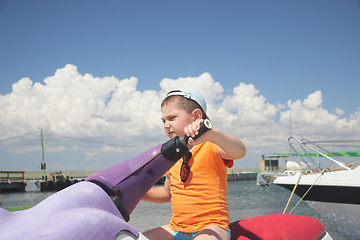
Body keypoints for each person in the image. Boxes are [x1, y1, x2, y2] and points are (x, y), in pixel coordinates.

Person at [142, 87, 246, 240]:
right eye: (163, 120)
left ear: (196, 116)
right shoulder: (171, 156)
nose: (165, 125)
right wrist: (138, 194)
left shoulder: (212, 145)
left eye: (172, 118)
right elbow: (166, 194)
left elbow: (239, 151)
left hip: (212, 227)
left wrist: (212, 134)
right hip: (176, 229)